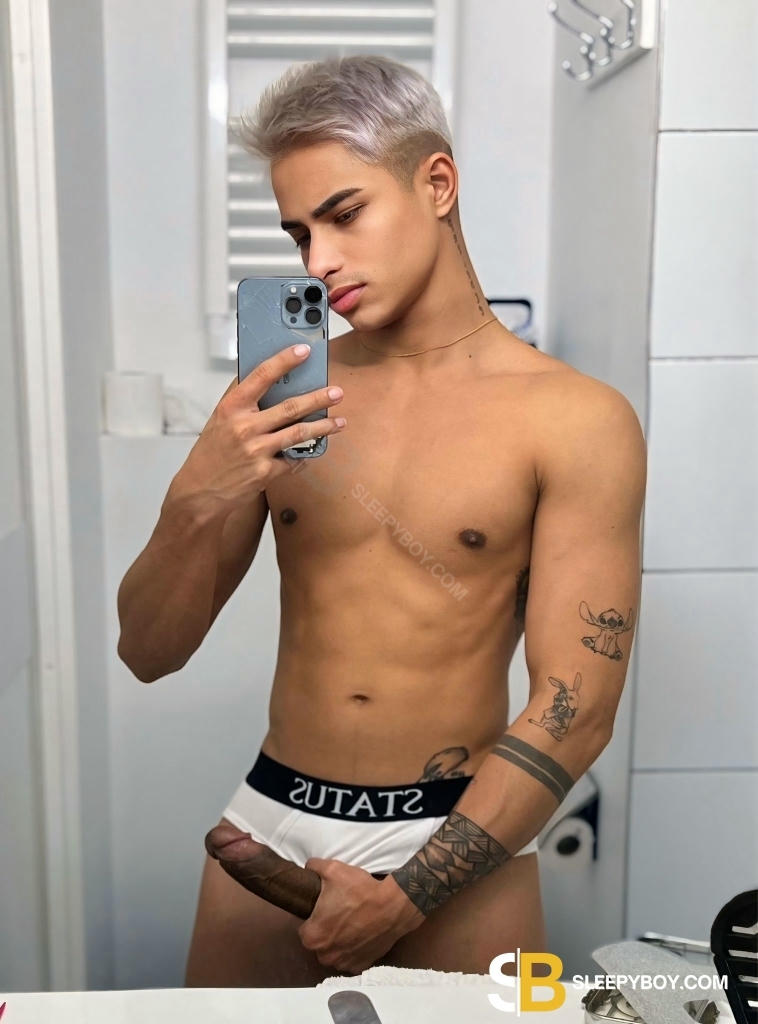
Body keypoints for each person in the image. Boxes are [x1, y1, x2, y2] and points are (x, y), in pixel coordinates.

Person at [116, 54, 647, 988]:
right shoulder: (284, 402)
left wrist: (401, 901)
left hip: (461, 839)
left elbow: (578, 709)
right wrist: (200, 489)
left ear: (436, 183)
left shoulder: (574, 419)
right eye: (299, 234)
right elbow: (147, 651)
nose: (317, 263)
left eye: (344, 214)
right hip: (271, 825)